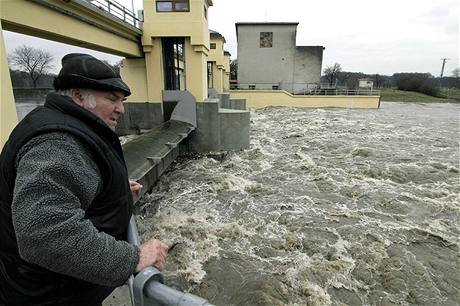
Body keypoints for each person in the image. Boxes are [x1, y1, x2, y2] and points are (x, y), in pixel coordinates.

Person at [0, 53, 168, 306]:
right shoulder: (59, 142)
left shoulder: (63, 124)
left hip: (55, 287)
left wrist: (113, 191)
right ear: (78, 95)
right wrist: (132, 259)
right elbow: (43, 234)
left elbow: (68, 185)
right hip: (51, 295)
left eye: (121, 100)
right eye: (112, 99)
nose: (120, 109)